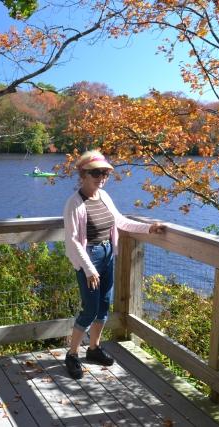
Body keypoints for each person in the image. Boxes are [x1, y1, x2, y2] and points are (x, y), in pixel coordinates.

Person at [62, 150, 165, 379]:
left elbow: (120, 221)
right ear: (83, 174)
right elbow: (72, 240)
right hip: (88, 258)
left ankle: (94, 348)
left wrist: (148, 228)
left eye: (105, 173)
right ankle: (71, 354)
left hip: (108, 254)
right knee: (89, 309)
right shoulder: (74, 203)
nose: (101, 177)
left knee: (103, 305)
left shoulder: (104, 196)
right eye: (96, 173)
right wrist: (88, 269)